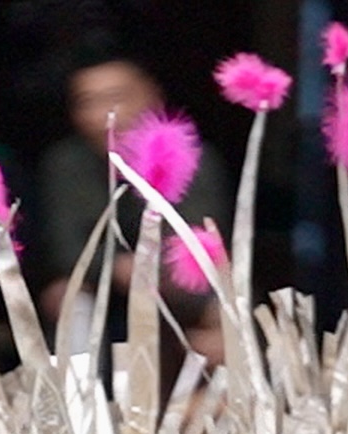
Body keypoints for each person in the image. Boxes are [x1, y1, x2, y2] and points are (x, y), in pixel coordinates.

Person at [31, 54, 226, 298]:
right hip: (103, 286)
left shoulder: (190, 157)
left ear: (153, 97)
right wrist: (116, 267)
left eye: (117, 98)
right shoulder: (66, 163)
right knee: (64, 295)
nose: (107, 114)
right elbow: (65, 247)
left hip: (177, 292)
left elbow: (195, 241)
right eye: (89, 102)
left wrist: (146, 267)